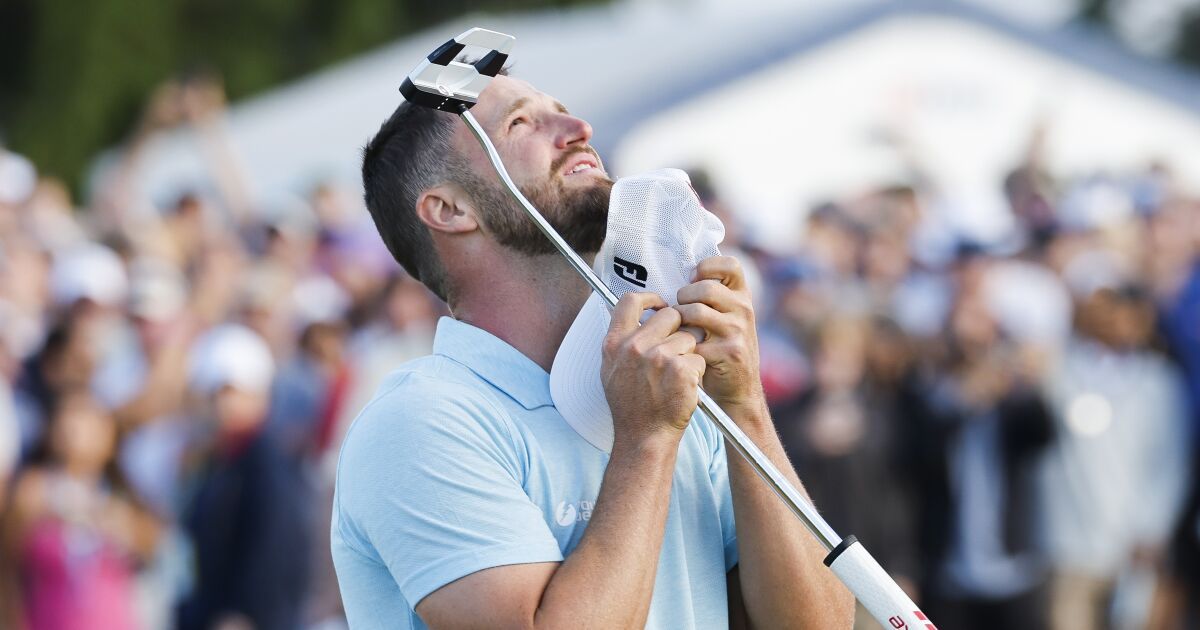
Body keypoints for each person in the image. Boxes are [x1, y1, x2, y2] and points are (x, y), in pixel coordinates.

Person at [331, 73, 854, 629]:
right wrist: (646, 441)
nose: (579, 130)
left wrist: (743, 404)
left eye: (562, 111)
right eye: (521, 124)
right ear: (451, 209)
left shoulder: (667, 386)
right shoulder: (423, 421)